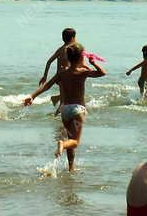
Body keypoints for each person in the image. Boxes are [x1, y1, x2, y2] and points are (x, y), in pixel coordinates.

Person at [23, 42, 105, 171]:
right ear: (80, 58)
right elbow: (102, 73)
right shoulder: (83, 72)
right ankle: (61, 144)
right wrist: (93, 63)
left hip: (65, 110)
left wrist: (32, 96)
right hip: (78, 109)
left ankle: (71, 167)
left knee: (70, 140)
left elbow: (47, 86)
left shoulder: (62, 73)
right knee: (75, 142)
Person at [38, 27, 77, 111]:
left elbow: (49, 62)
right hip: (62, 78)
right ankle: (56, 119)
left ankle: (56, 99)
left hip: (64, 77)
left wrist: (45, 76)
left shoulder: (61, 49)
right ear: (73, 38)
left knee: (71, 95)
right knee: (64, 102)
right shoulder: (68, 49)